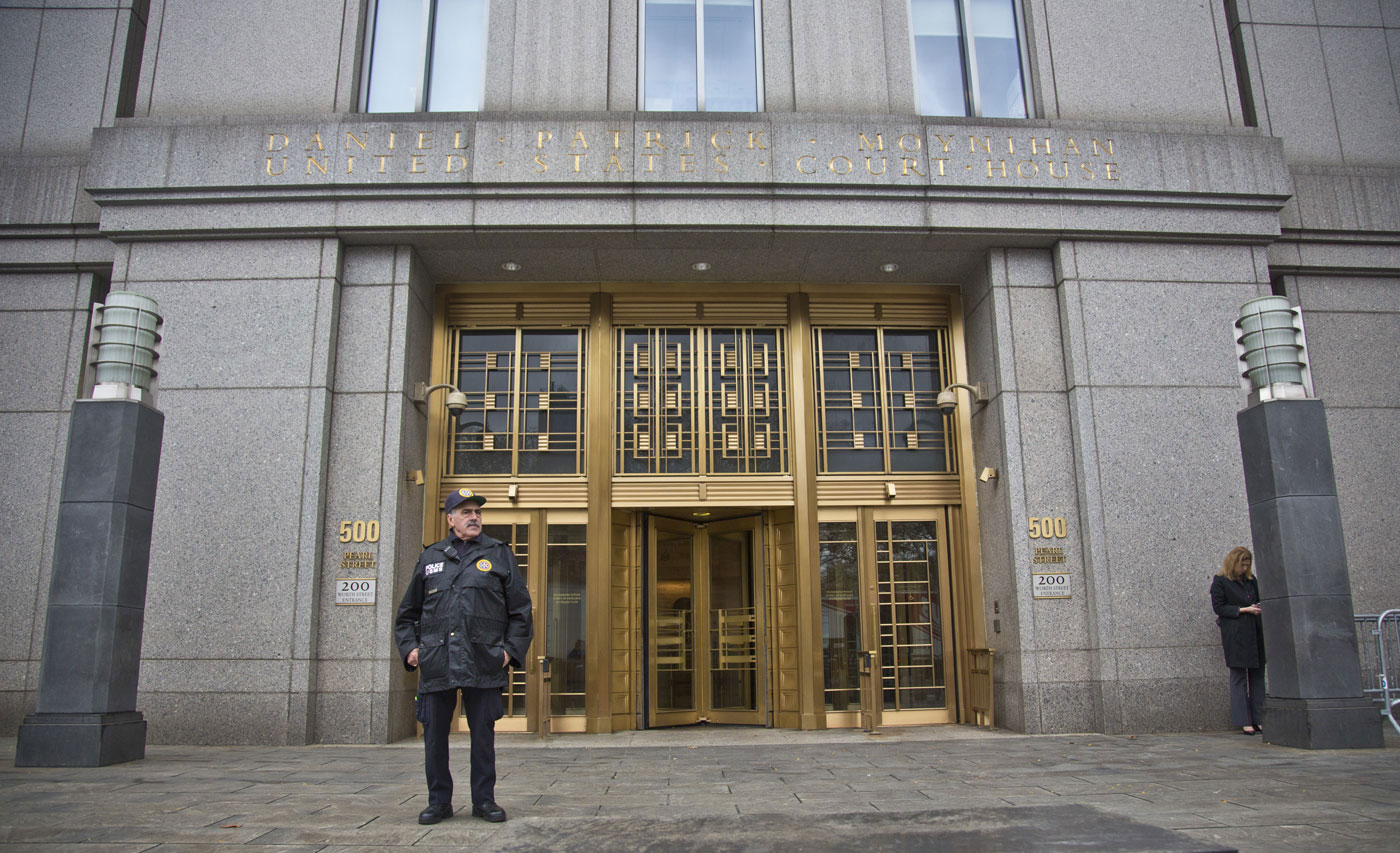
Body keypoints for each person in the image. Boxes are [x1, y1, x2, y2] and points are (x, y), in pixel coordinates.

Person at [395, 488, 533, 825]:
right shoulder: (431, 557)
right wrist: (411, 649)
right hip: (437, 661)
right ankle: (439, 802)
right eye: (466, 511)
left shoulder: (499, 554)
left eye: (477, 512)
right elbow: (407, 613)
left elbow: (521, 611)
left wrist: (508, 653)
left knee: (483, 737)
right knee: (435, 738)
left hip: (483, 660)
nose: (474, 517)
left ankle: (484, 801)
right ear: (450, 518)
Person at [1211, 546, 1265, 735]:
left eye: (1247, 565)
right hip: (1236, 634)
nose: (1244, 568)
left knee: (1257, 675)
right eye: (1242, 565)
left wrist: (1257, 607)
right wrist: (1244, 610)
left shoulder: (1251, 580)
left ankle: (1259, 718)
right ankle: (1244, 720)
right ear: (1234, 563)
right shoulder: (1221, 581)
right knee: (1239, 676)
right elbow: (1219, 608)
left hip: (1255, 632)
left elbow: (1259, 598)